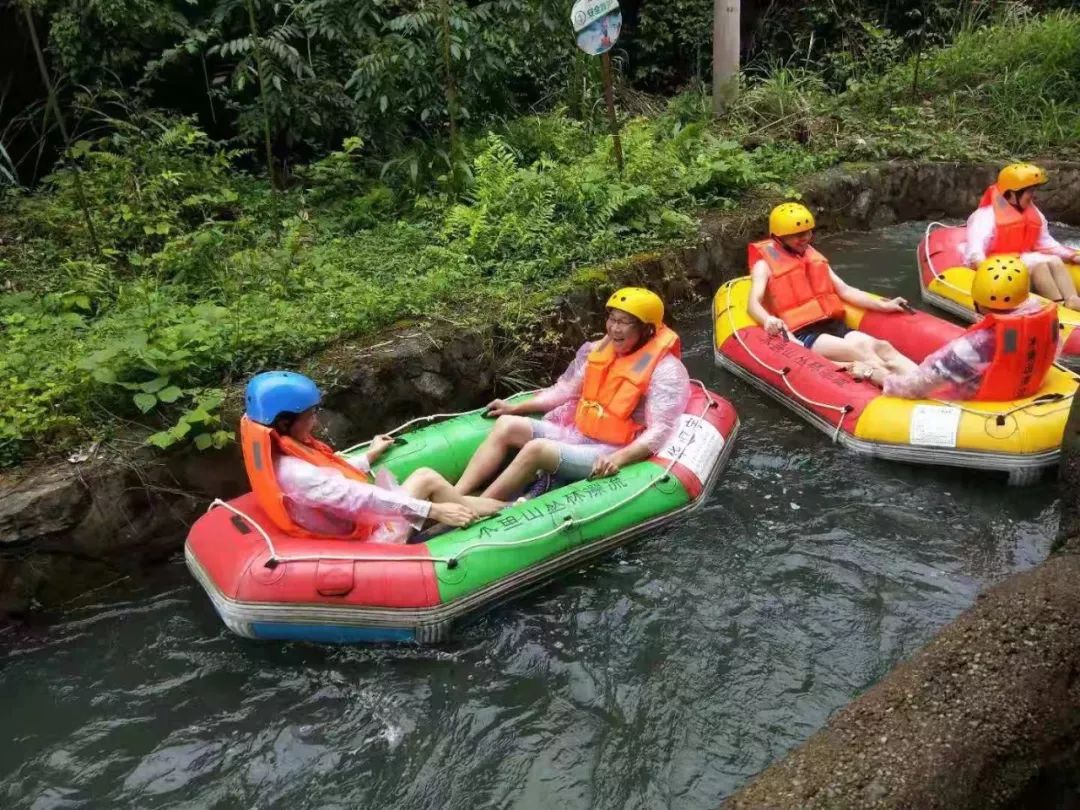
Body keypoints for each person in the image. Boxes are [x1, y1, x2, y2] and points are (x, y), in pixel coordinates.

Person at [453, 287, 690, 501]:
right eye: (612, 319)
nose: (614, 328)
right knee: (507, 424)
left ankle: (477, 506)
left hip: (612, 448)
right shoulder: (600, 350)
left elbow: (661, 430)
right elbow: (565, 390)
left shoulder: (665, 370)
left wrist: (619, 459)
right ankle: (455, 496)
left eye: (625, 322)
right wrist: (515, 407)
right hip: (578, 433)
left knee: (537, 449)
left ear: (647, 329)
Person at [240, 371, 505, 543]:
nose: (316, 423)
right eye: (310, 416)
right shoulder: (296, 473)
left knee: (431, 484)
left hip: (344, 523)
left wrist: (367, 456)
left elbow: (332, 478)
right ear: (285, 422)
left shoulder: (279, 454)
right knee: (427, 479)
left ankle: (485, 506)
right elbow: (361, 497)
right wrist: (435, 510)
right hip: (370, 541)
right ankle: (506, 510)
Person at [850, 256, 1058, 401]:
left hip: (978, 400)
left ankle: (875, 363)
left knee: (883, 358)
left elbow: (914, 387)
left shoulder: (976, 346)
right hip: (1021, 389)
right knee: (885, 351)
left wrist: (872, 374)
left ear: (978, 300)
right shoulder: (1043, 319)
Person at [747, 203, 918, 377]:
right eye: (797, 235)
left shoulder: (812, 256)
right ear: (778, 237)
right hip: (803, 333)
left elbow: (845, 290)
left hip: (831, 324)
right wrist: (767, 320)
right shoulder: (764, 265)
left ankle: (925, 380)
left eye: (807, 232)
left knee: (881, 347)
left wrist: (884, 305)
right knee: (859, 352)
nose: (805, 238)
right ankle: (899, 384)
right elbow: (753, 303)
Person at [964, 163, 1080, 310]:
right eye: (1029, 191)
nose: (1033, 195)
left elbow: (1046, 243)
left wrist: (1071, 256)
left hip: (1020, 259)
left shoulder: (1034, 213)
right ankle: (1058, 306)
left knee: (1055, 261)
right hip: (997, 267)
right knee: (1040, 266)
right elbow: (975, 250)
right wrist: (983, 267)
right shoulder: (986, 216)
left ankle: (1072, 300)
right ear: (1012, 194)